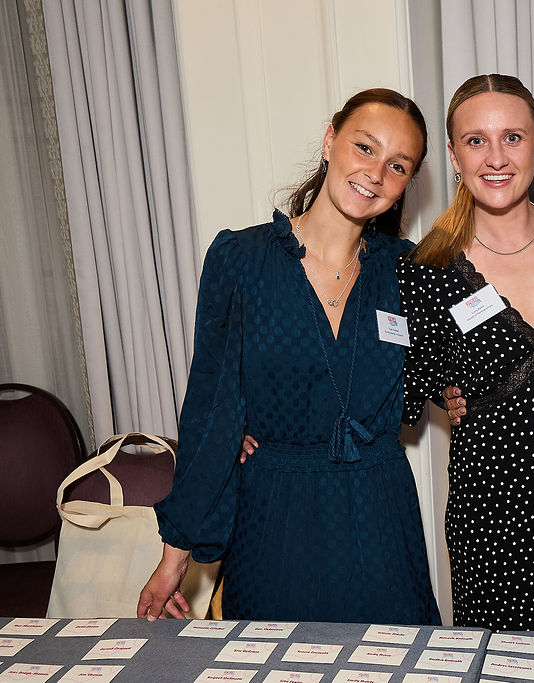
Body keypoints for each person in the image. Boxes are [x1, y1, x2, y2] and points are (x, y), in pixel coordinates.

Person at [137, 88, 440, 625]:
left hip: (380, 516)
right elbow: (210, 409)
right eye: (364, 147)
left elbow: (459, 359)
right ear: (330, 140)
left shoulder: (410, 270)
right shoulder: (241, 261)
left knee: (395, 659)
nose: (375, 173)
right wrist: (173, 558)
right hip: (275, 517)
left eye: (398, 165)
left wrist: (458, 393)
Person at [399, 74, 534, 633]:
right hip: (494, 527)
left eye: (513, 138)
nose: (496, 158)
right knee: (504, 665)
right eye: (476, 140)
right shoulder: (426, 269)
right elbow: (399, 383)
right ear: (454, 156)